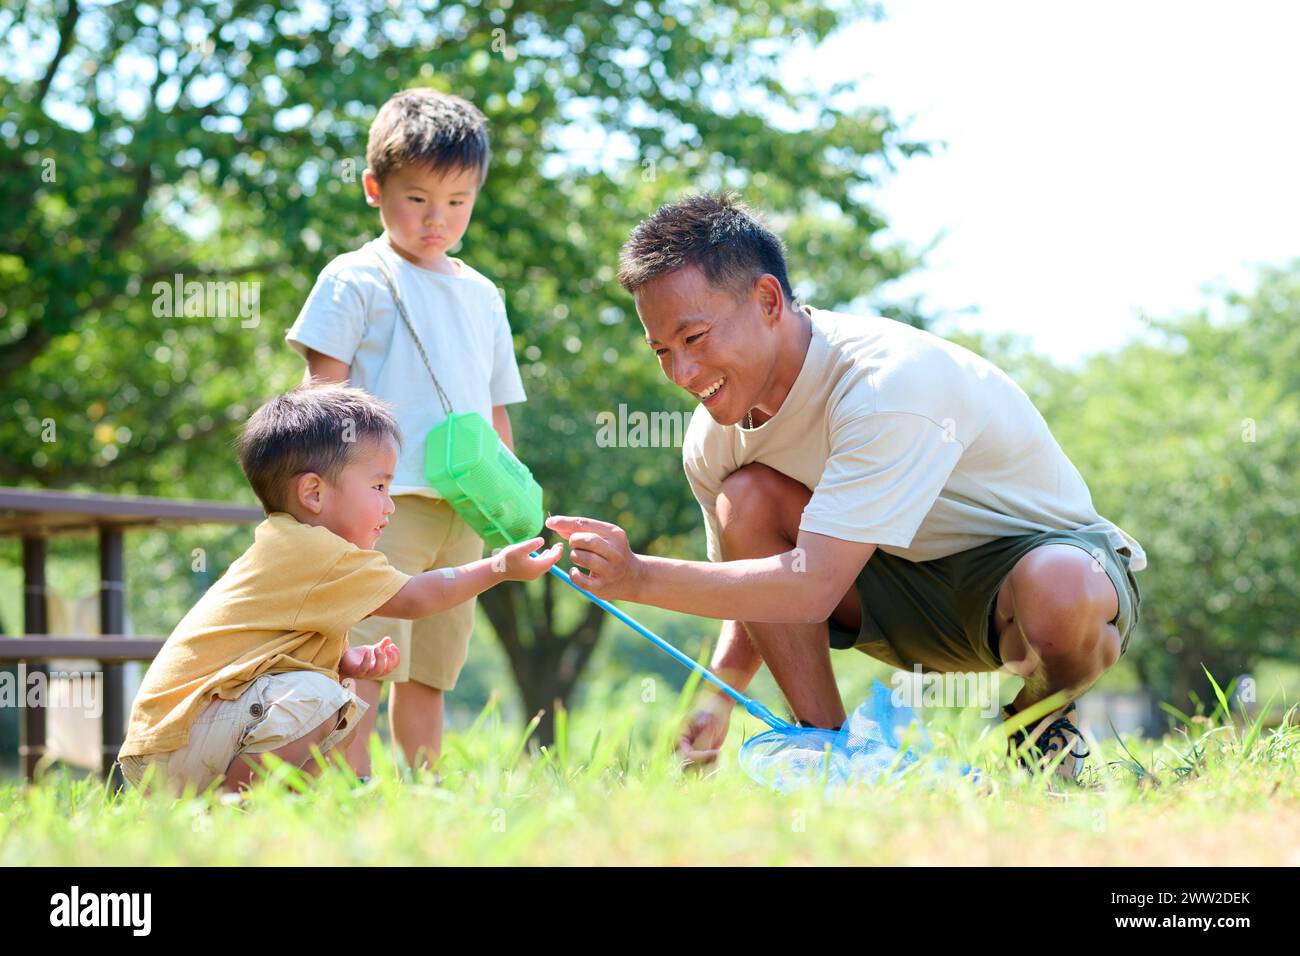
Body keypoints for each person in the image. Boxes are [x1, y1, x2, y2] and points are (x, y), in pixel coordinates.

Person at [546, 192, 1144, 780]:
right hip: (891, 592)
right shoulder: (715, 438)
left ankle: (1036, 724)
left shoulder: (884, 385)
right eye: (661, 350)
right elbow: (753, 581)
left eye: (695, 339)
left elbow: (810, 587)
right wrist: (719, 694)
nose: (682, 373)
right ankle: (837, 757)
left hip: (1025, 579)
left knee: (1064, 591)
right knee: (746, 496)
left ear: (768, 300)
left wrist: (640, 577)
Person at [116, 384, 560, 794]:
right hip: (179, 739)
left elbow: (264, 653)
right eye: (379, 486)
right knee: (319, 700)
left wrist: (342, 661)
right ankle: (231, 808)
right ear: (313, 493)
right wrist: (498, 565)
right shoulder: (314, 550)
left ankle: (271, 808)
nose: (389, 505)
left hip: (178, 738)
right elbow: (417, 597)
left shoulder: (294, 548)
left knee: (331, 699)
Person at [286, 88, 528, 773]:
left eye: (458, 201)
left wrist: (513, 508)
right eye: (417, 198)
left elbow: (495, 409)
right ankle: (349, 785)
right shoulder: (354, 278)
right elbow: (321, 395)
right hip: (378, 508)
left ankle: (424, 791)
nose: (437, 219)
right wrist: (320, 497)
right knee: (363, 658)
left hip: (465, 509)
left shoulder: (483, 295)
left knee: (432, 668)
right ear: (374, 188)